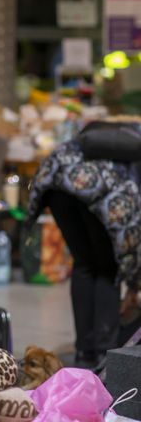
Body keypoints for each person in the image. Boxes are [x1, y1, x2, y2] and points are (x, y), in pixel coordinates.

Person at [27, 124, 140, 368]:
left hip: (56, 178)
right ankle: (105, 356)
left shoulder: (119, 136)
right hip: (95, 188)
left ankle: (84, 353)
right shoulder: (129, 152)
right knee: (107, 269)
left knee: (85, 263)